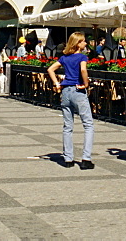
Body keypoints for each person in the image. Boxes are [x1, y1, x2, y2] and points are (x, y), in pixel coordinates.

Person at [46, 32, 94, 169]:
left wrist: (56, 83)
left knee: (68, 126)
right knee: (88, 124)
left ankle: (68, 159)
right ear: (78, 43)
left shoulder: (64, 58)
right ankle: (86, 159)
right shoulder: (82, 57)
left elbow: (50, 69)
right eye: (83, 41)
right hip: (78, 91)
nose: (85, 43)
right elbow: (83, 70)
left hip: (66, 91)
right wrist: (85, 83)